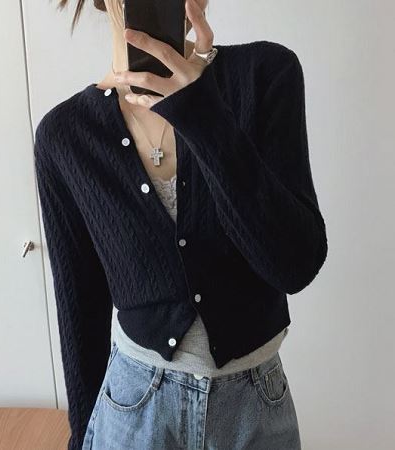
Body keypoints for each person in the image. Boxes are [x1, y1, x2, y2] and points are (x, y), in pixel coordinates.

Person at [35, 0, 328, 449]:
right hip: (133, 412)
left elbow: (295, 266)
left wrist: (203, 115)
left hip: (254, 409)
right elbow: (81, 313)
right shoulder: (65, 134)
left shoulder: (266, 73)